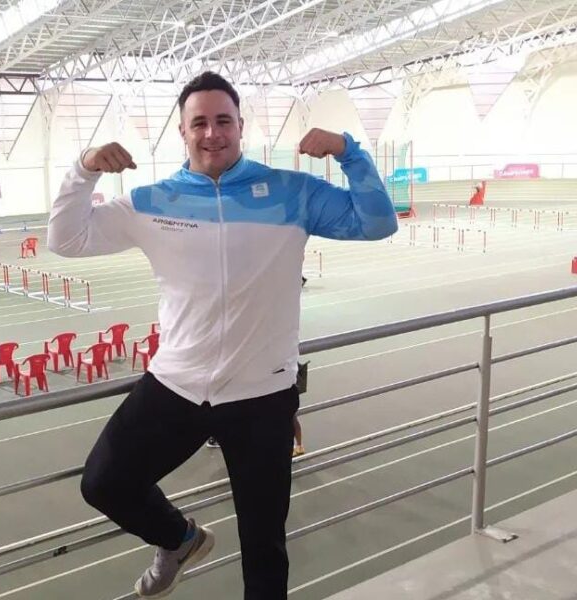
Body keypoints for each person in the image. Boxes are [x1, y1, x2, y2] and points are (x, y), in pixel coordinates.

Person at [48, 71, 397, 600]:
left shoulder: (292, 192)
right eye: (200, 123)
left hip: (262, 395)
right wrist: (84, 169)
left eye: (223, 121)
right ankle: (179, 539)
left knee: (264, 545)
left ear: (241, 126)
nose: (212, 134)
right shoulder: (153, 200)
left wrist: (350, 152)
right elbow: (67, 238)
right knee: (104, 483)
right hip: (177, 385)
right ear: (182, 132)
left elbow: (378, 224)